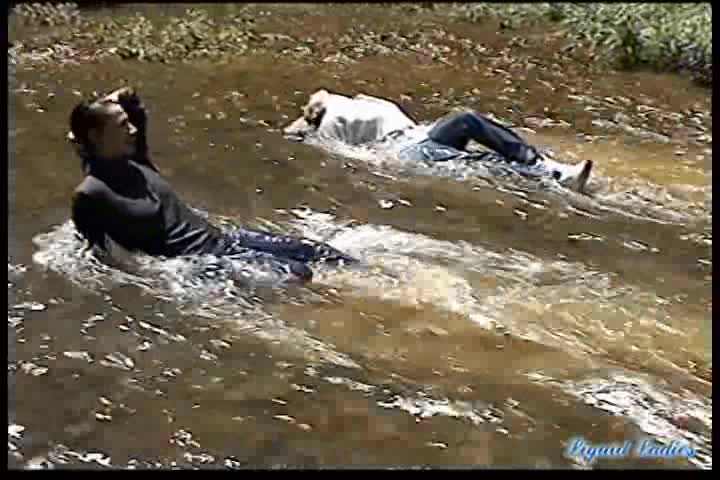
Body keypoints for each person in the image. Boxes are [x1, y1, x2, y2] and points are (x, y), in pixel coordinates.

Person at [68, 87, 355, 283]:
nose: (131, 129)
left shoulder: (135, 157)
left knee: (322, 253)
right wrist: (153, 281)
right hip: (200, 262)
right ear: (95, 136)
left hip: (224, 239)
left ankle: (370, 283)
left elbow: (131, 99)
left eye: (129, 123)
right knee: (298, 274)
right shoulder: (91, 193)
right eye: (122, 125)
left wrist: (107, 104)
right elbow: (101, 257)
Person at [283, 89, 593, 192]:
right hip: (406, 151)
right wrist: (384, 162)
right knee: (481, 161)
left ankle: (546, 167)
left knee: (467, 118)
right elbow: (346, 156)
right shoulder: (329, 125)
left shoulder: (344, 104)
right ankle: (553, 177)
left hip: (420, 136)